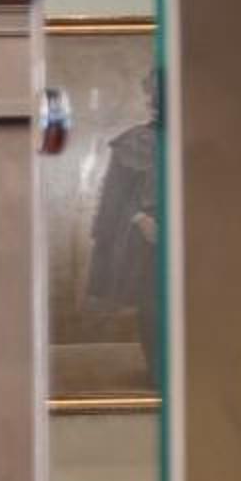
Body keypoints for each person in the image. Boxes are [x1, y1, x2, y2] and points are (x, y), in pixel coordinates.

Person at [82, 69, 164, 387]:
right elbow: (114, 201)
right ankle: (158, 373)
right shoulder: (133, 143)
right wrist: (142, 220)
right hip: (147, 237)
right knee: (152, 304)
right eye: (153, 94)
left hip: (195, 238)